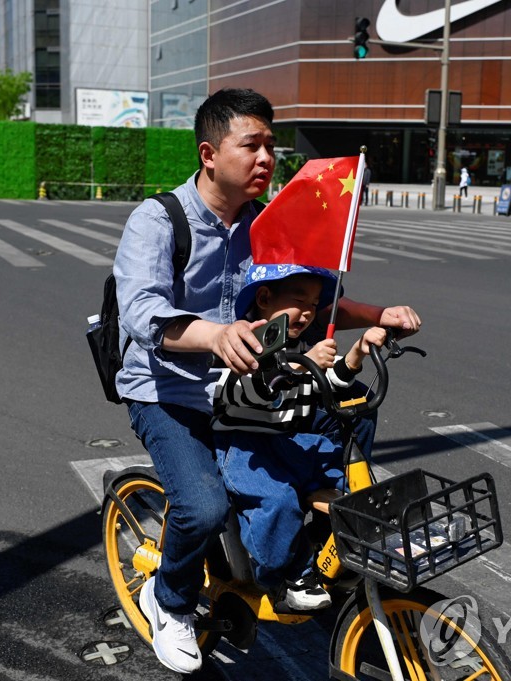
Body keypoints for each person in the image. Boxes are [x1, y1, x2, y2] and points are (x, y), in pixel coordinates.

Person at [112, 87, 421, 674]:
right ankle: (170, 601)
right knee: (201, 507)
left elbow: (313, 299)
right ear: (209, 153)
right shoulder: (158, 220)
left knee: (337, 432)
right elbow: (142, 311)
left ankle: (290, 561)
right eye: (250, 145)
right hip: (170, 390)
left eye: (270, 147)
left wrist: (380, 315)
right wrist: (215, 335)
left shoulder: (266, 220)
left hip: (253, 390)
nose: (265, 159)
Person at [212, 263, 387, 612]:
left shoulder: (300, 341)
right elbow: (243, 391)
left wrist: (356, 353)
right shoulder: (247, 338)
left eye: (315, 302)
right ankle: (286, 577)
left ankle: (339, 543)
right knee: (276, 502)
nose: (308, 311)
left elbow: (325, 384)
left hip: (289, 441)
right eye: (299, 299)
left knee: (351, 485)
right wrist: (300, 364)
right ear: (264, 297)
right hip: (246, 448)